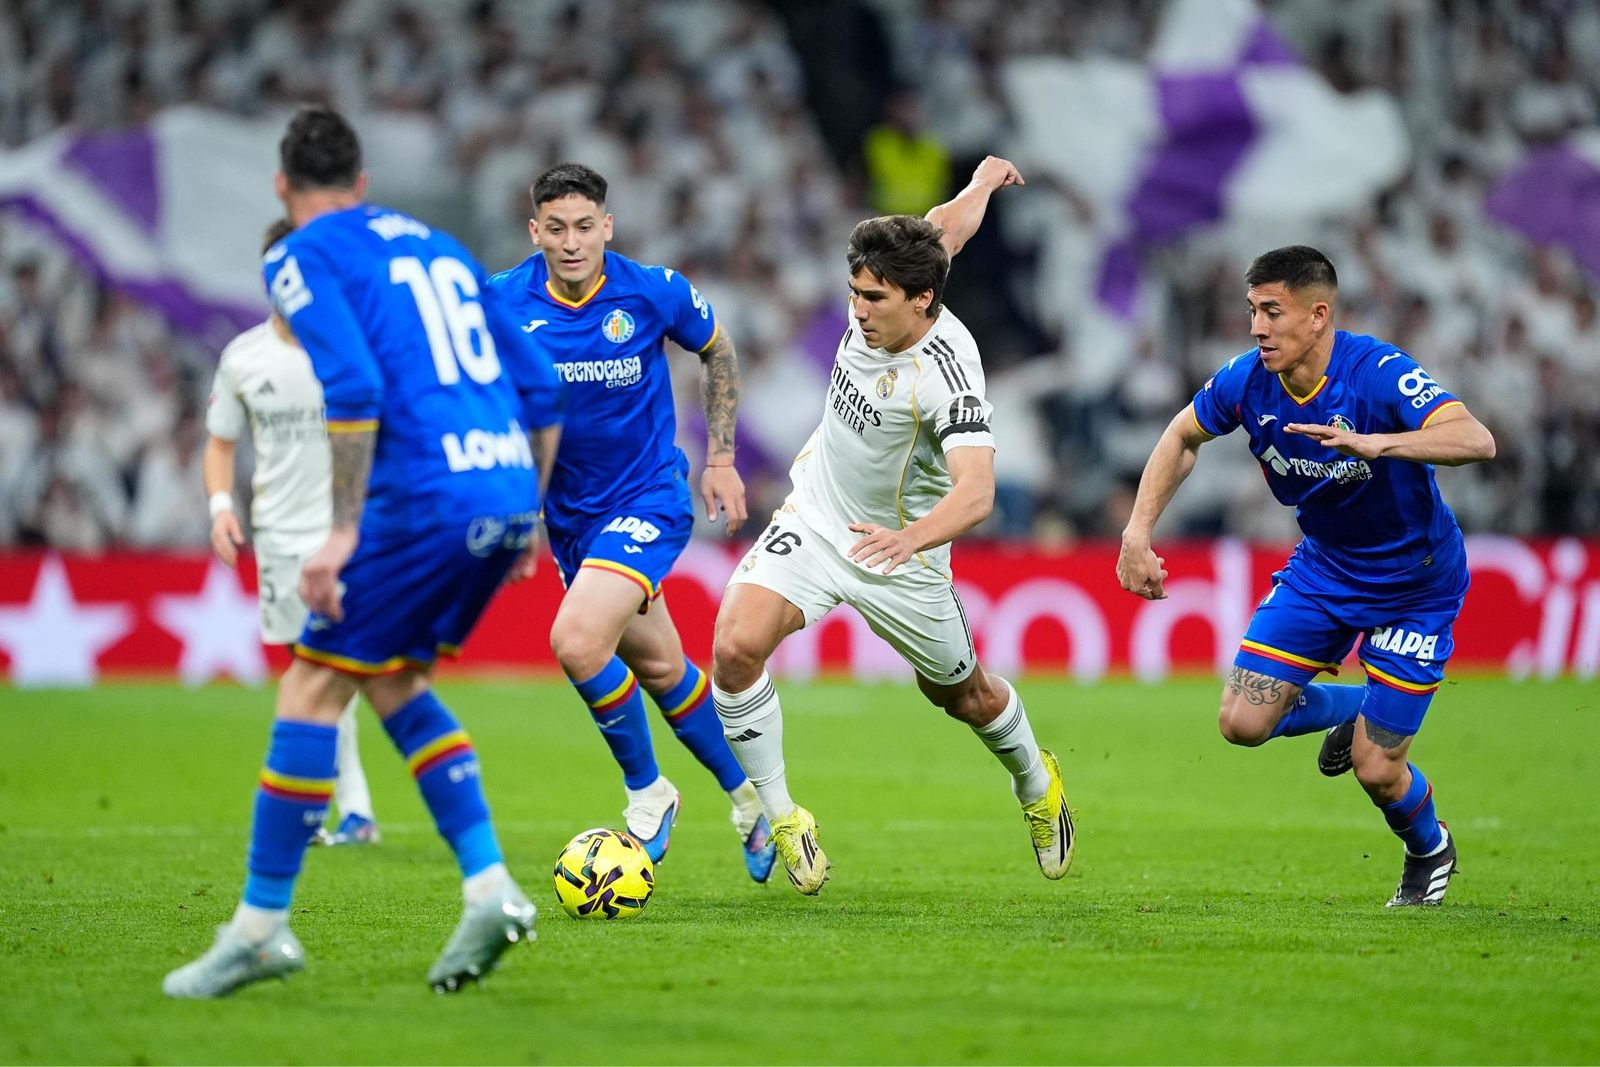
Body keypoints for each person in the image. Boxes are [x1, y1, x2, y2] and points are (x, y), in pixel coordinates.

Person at [164, 106, 563, 998]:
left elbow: (352, 383)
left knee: (309, 680)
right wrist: (528, 513)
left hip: (421, 497)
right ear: (363, 183)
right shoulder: (441, 247)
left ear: (282, 186)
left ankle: (261, 928)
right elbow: (537, 387)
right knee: (389, 679)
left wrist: (341, 531)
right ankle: (490, 886)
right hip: (498, 489)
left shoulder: (299, 254)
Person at [708, 157, 1074, 895]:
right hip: (817, 513)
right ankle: (783, 815)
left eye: (874, 299)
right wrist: (980, 184)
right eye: (855, 292)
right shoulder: (892, 285)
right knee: (734, 647)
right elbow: (945, 228)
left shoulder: (948, 374)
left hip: (901, 551)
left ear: (922, 301)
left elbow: (977, 493)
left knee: (962, 695)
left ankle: (1038, 785)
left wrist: (910, 541)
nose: (859, 309)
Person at [1115, 245, 1496, 907]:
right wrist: (1137, 531)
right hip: (1326, 569)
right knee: (1239, 721)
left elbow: (1476, 439)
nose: (1256, 327)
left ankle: (1428, 845)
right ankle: (1362, 709)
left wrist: (1381, 442)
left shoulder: (1376, 373)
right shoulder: (1246, 381)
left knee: (1379, 771)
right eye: (1251, 311)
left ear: (1318, 315)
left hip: (1416, 583)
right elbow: (1181, 437)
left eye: (1271, 311)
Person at [486, 163, 775, 882]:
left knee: (577, 641)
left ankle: (650, 794)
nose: (572, 241)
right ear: (535, 232)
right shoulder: (502, 304)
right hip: (572, 522)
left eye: (586, 226)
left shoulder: (652, 290)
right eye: (557, 228)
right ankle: (749, 801)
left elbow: (719, 350)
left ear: (607, 227)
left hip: (649, 499)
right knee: (661, 667)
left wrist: (722, 457)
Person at [202, 218, 378, 849]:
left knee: (335, 664)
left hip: (351, 533)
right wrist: (222, 505)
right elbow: (219, 444)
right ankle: (348, 809)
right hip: (278, 537)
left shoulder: (355, 350)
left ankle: (338, 808)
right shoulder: (244, 358)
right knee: (314, 666)